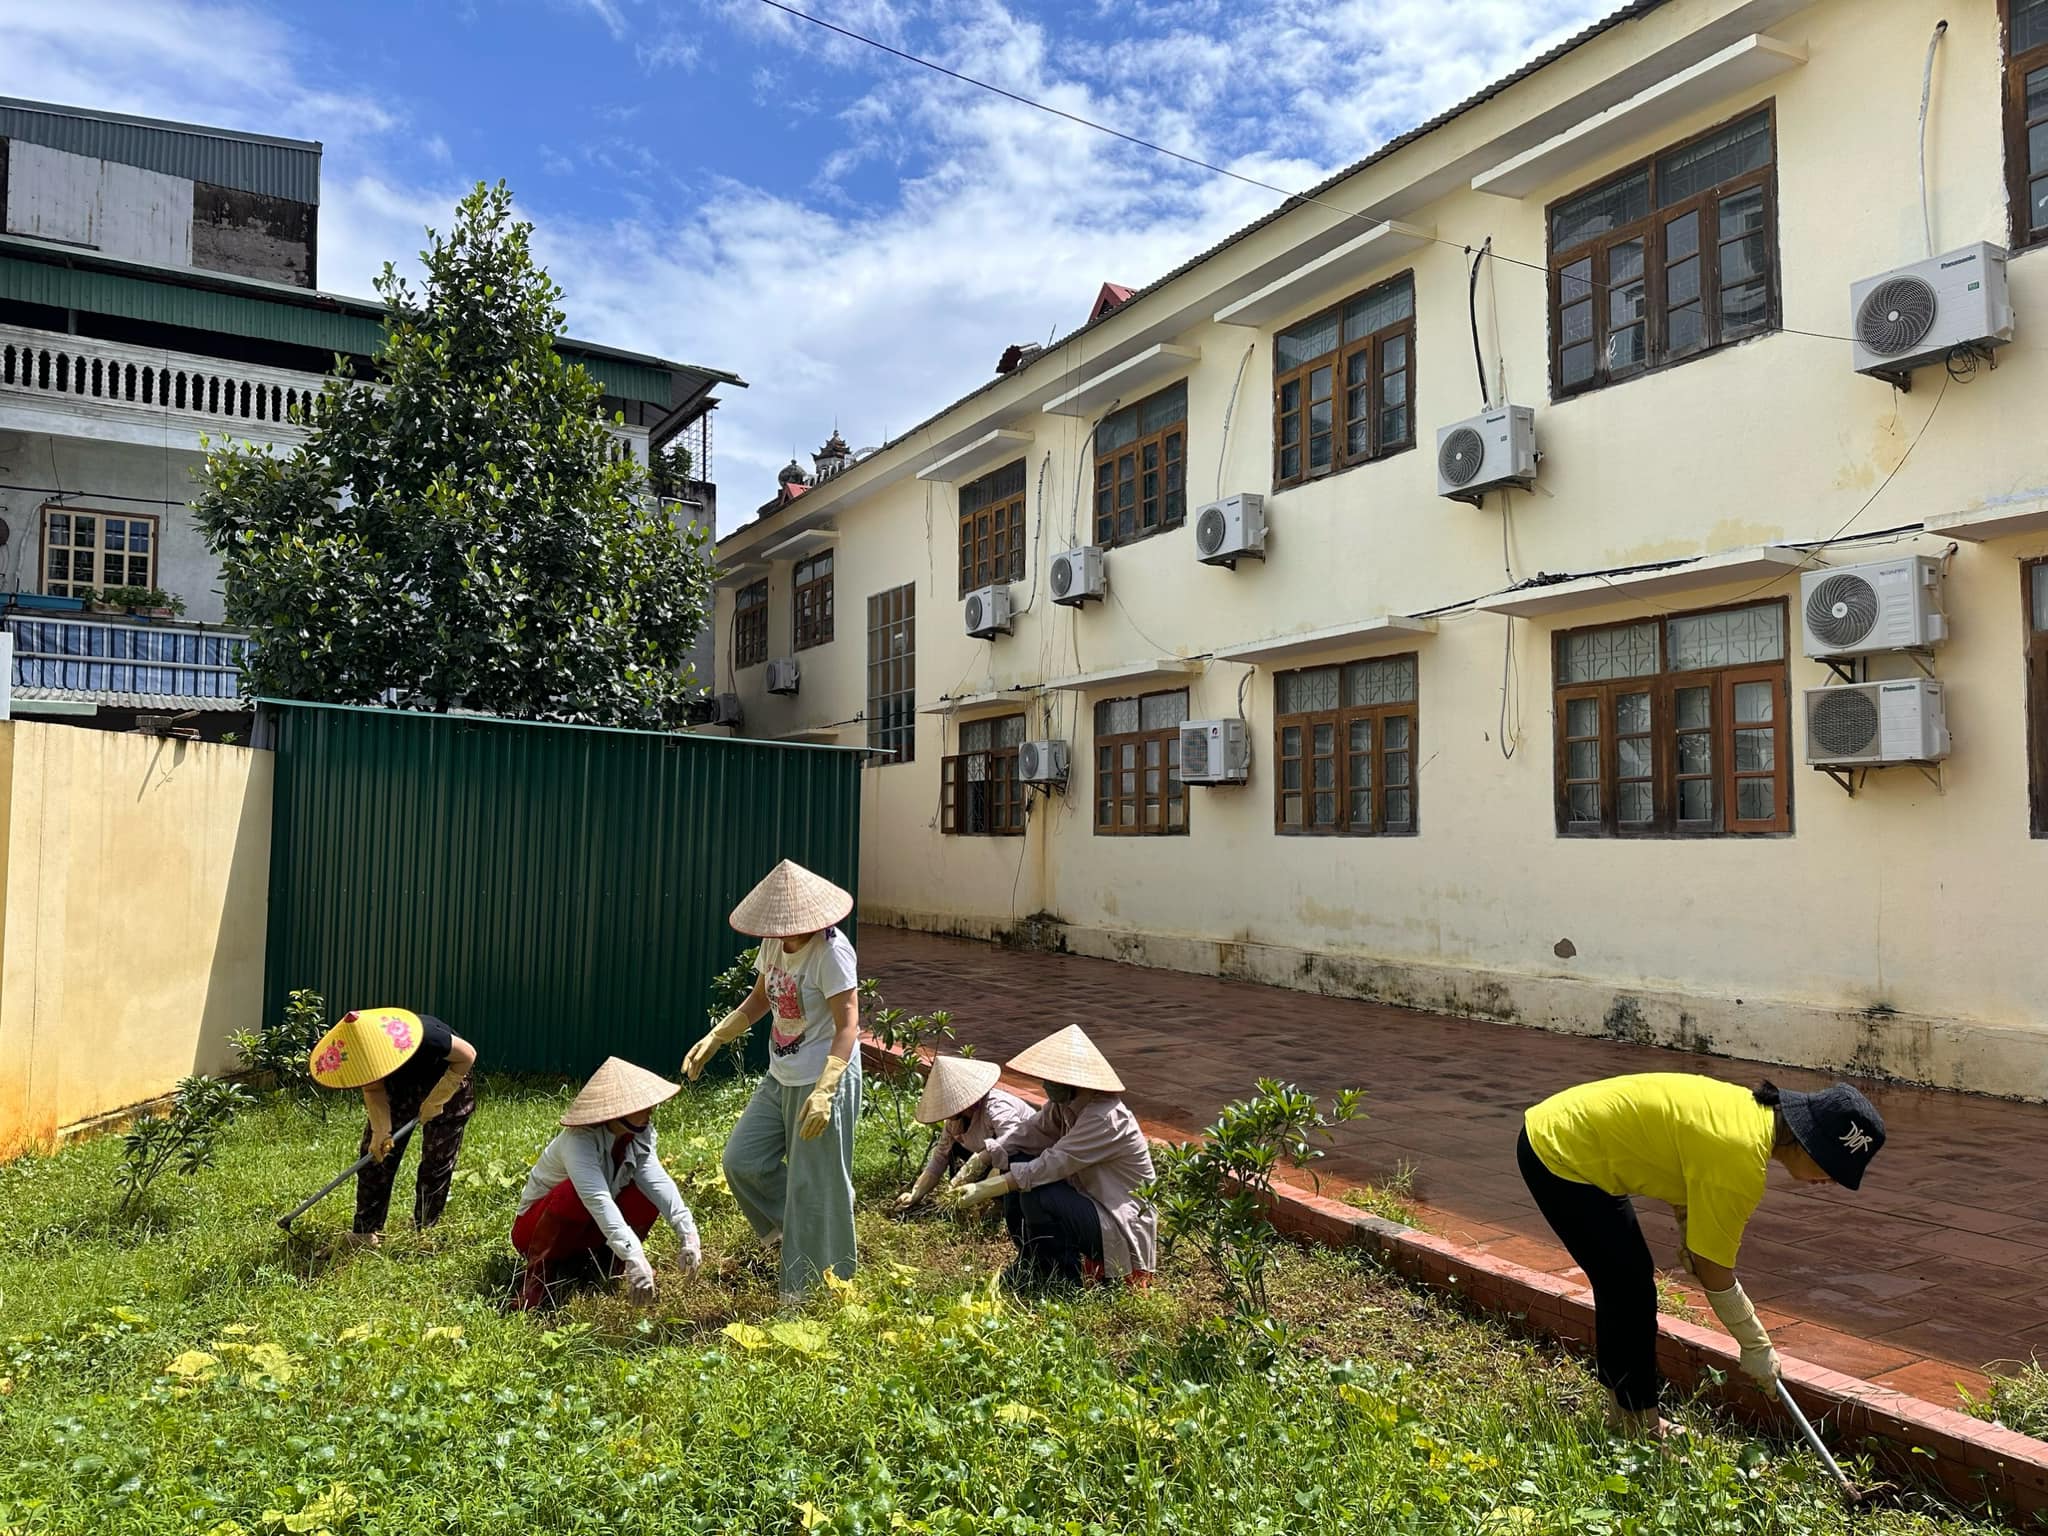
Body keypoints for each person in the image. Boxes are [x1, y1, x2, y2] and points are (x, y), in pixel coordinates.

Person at [1517, 1072, 1886, 1437]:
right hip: (1560, 1153)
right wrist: (1755, 1343)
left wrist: (1689, 1228)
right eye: (1833, 1168)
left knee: (1626, 1285)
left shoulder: (1747, 1114)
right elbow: (1715, 1272)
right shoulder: (1741, 1156)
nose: (1831, 1181)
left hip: (1570, 1133)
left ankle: (1625, 1415)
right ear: (1809, 1141)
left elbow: (1682, 1156)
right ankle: (1639, 1425)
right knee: (1629, 1289)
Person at [680, 859, 862, 1302]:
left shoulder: (832, 952)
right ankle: (807, 1227)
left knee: (813, 1183)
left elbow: (848, 1025)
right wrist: (717, 1036)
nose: (784, 932)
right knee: (742, 1161)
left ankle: (810, 1292)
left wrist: (826, 1091)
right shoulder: (775, 943)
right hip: (781, 1074)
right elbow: (762, 998)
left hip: (822, 1078)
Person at [948, 1024, 1157, 1290]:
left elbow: (1054, 1163)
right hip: (1087, 1202)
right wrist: (983, 1157)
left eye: (1052, 1080)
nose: (1046, 1085)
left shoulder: (1105, 1118)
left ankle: (1060, 1276)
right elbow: (1028, 1132)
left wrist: (987, 1187)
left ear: (1073, 1081)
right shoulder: (1065, 1107)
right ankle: (1031, 1260)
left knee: (1038, 1191)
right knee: (1017, 1162)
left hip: (1116, 1219)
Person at [509, 1057, 702, 1312]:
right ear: (619, 1110)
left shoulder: (639, 1133)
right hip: (535, 1231)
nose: (651, 1109)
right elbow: (597, 1199)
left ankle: (612, 1267)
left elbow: (655, 1180)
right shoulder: (578, 1142)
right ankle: (537, 1283)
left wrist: (687, 1232)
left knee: (644, 1195)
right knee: (571, 1193)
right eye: (642, 1105)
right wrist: (634, 1252)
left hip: (588, 1227)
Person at [310, 1006, 478, 1242]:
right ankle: (365, 1232)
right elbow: (373, 1088)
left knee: (436, 1161)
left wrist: (439, 1097)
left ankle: (425, 1231)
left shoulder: (426, 1036)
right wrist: (381, 1129)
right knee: (376, 1154)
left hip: (448, 1080)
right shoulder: (361, 1052)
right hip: (398, 1089)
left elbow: (467, 1055)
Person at [895, 1056, 1031, 1212]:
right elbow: (940, 1157)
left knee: (1008, 1160)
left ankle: (998, 1205)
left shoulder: (996, 1107)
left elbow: (1013, 1140)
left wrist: (978, 1166)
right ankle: (962, 1199)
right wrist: (915, 1193)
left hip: (1022, 1159)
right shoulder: (954, 1122)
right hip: (987, 1164)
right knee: (954, 1148)